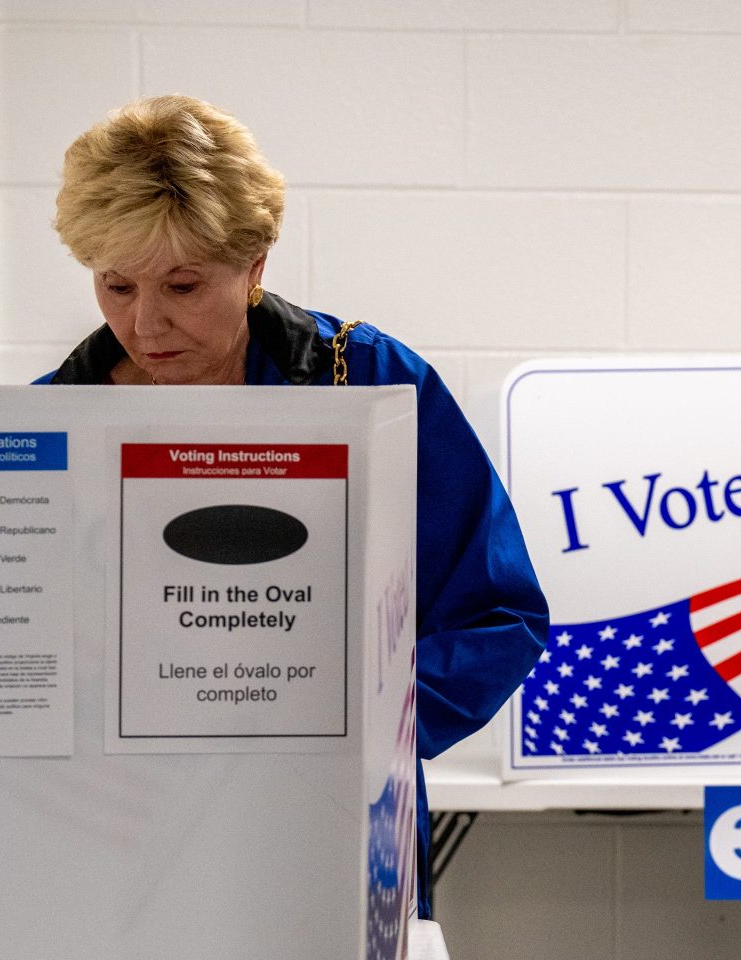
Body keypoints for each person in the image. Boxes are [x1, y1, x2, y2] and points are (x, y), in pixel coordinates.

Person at [34, 94, 548, 928]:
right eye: (115, 285)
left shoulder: (372, 383)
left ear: (256, 263)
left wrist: (362, 738)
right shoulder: (47, 426)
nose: (145, 323)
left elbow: (497, 614)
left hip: (333, 830)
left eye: (184, 285)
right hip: (119, 838)